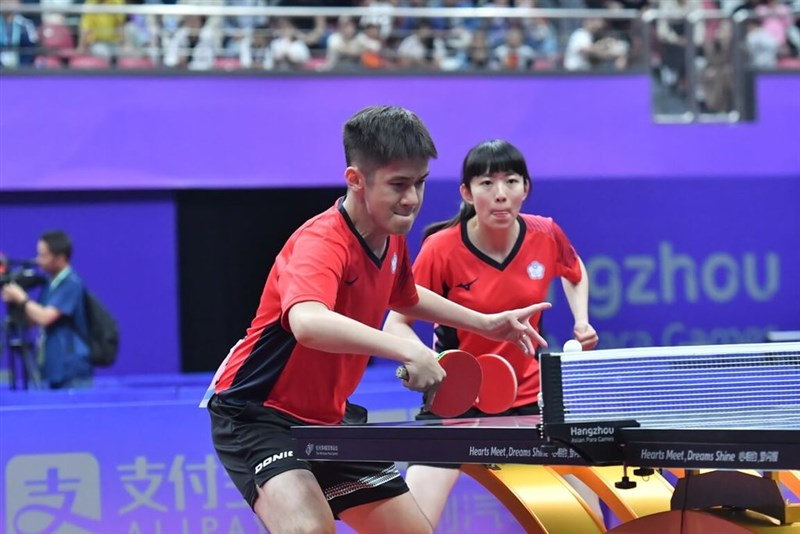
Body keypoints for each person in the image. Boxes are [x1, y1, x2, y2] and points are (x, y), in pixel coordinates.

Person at [204, 107, 551, 534]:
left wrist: (485, 323)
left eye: (420, 183)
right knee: (309, 529)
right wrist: (407, 347)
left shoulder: (391, 238)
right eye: (398, 185)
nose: (412, 199)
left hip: (330, 416)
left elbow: (404, 295)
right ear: (356, 179)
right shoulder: (321, 241)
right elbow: (308, 322)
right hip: (259, 413)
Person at [383, 139, 599, 528]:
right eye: (486, 183)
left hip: (530, 401)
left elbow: (575, 269)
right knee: (408, 526)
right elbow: (396, 322)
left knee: (586, 522)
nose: (500, 195)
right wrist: (425, 360)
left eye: (511, 181)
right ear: (466, 192)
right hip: (454, 402)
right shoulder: (441, 249)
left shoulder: (545, 234)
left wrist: (581, 319)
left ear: (525, 188)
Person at [1, 230, 92, 389]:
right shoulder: (51, 284)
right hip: (53, 366)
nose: (38, 260)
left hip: (70, 370)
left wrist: (20, 297)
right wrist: (17, 305)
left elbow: (45, 317)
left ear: (60, 258)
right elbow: (33, 321)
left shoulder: (70, 283)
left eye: (43, 255)